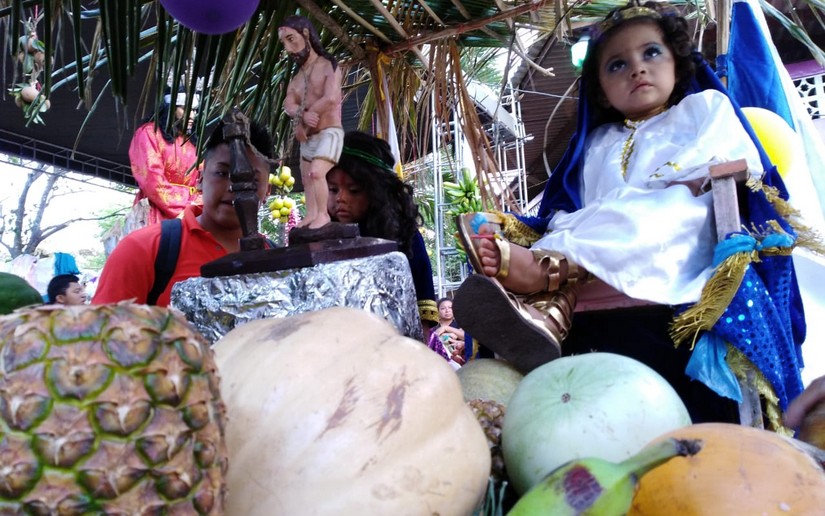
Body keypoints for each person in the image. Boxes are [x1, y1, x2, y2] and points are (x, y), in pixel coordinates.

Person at [453, 1, 807, 424]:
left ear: (678, 63)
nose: (638, 69)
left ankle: (548, 277)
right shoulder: (597, 141)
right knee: (570, 222)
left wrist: (646, 197)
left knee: (660, 210)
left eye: (651, 53)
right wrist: (522, 226)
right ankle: (551, 299)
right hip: (610, 232)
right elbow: (574, 207)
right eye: (618, 65)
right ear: (601, 90)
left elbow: (720, 162)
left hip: (682, 225)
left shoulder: (703, 108)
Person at [93, 117, 274, 307]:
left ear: (267, 191)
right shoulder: (142, 249)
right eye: (222, 173)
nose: (234, 187)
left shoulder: (277, 258)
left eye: (251, 179)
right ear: (200, 179)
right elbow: (100, 332)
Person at [327, 130, 439, 337]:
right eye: (333, 189)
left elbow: (422, 314)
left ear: (376, 192)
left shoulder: (407, 239)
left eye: (353, 190)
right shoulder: (322, 241)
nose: (340, 198)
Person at [278, 15, 344, 230]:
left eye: (291, 39)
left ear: (306, 34)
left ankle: (323, 215)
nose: (289, 48)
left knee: (317, 173)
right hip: (308, 137)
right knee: (307, 178)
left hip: (329, 133)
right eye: (284, 43)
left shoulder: (329, 65)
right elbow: (288, 104)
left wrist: (309, 112)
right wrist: (302, 116)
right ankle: (312, 214)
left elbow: (332, 97)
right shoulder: (296, 78)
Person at [128, 86, 202, 227]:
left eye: (194, 110)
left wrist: (199, 206)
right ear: (170, 108)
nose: (191, 116)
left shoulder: (193, 142)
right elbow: (152, 180)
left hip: (192, 213)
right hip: (156, 211)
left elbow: (204, 180)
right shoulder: (149, 133)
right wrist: (188, 207)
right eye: (184, 109)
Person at [433, 297, 467, 364]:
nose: (447, 310)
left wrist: (446, 328)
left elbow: (465, 336)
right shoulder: (434, 325)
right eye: (443, 308)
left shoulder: (460, 324)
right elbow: (432, 338)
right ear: (437, 311)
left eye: (450, 307)